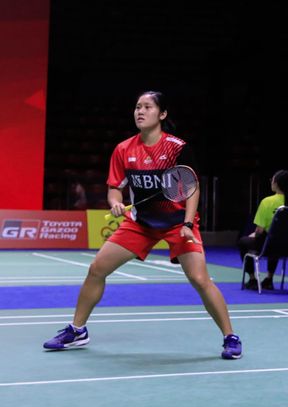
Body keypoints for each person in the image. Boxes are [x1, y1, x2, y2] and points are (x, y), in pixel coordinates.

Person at [43, 91, 243, 360]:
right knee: (96, 269)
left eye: (148, 107)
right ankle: (77, 330)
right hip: (140, 222)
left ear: (162, 114)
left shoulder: (176, 148)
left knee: (199, 279)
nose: (140, 111)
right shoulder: (124, 149)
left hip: (176, 223)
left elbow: (192, 188)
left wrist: (187, 224)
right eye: (137, 106)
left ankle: (230, 337)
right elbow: (115, 188)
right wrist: (115, 202)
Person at [239, 170, 288, 290]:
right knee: (275, 241)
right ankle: (269, 278)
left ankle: (252, 279)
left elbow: (260, 231)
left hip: (267, 247)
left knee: (243, 241)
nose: (271, 182)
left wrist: (254, 234)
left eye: (272, 180)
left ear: (277, 183)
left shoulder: (267, 202)